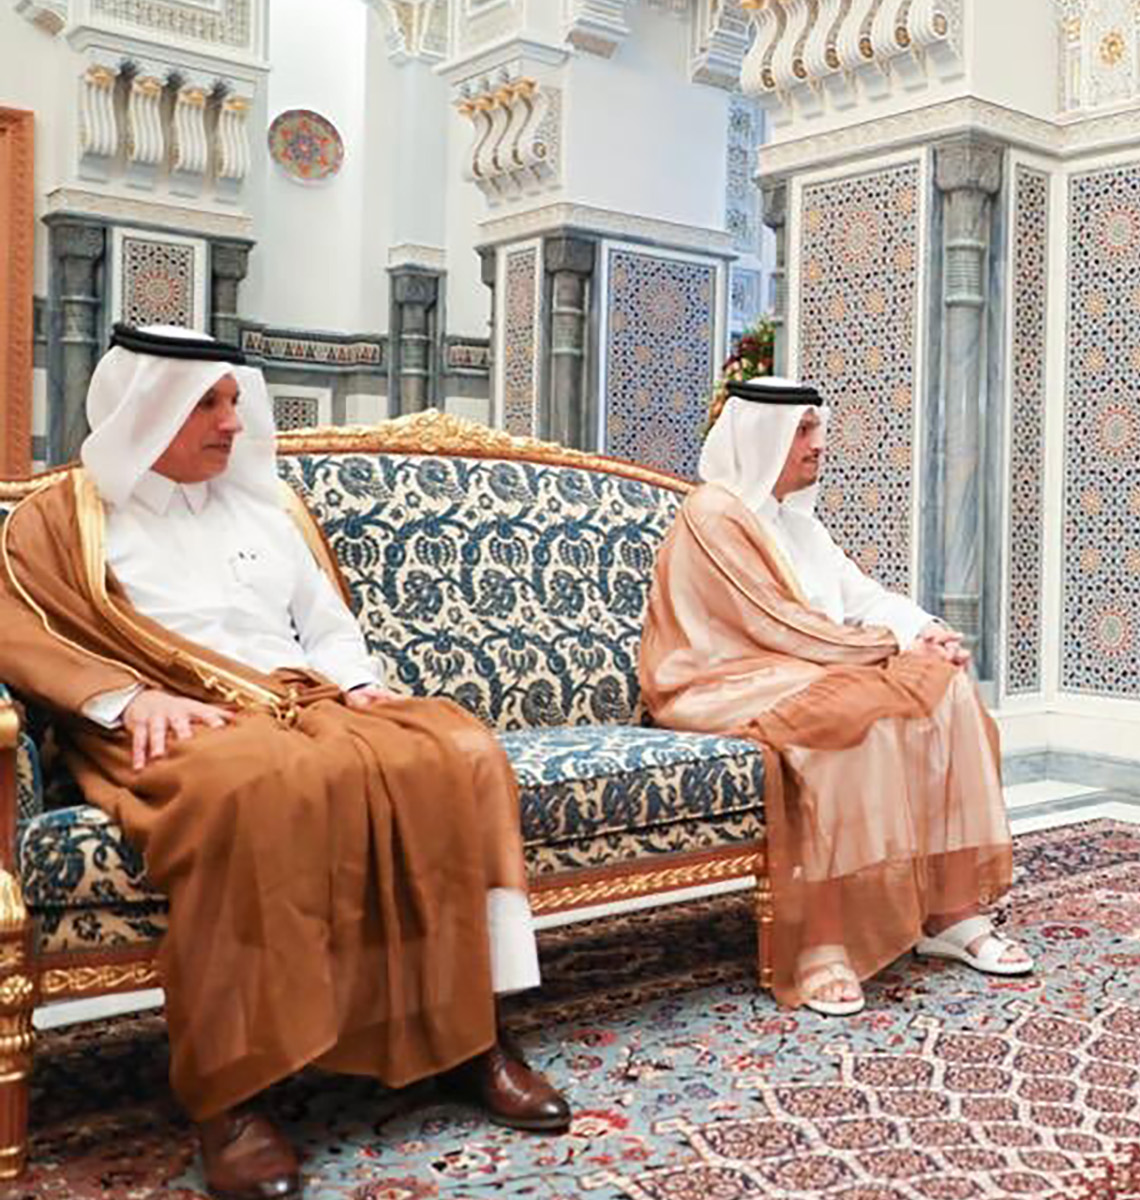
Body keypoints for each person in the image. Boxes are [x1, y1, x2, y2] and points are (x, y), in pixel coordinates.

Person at [0, 326, 569, 1200]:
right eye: (207, 404)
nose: (233, 423)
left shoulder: (265, 503)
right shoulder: (63, 517)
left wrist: (362, 686)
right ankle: (235, 1096)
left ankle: (468, 1036)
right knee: (263, 788)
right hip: (170, 723)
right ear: (144, 409)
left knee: (459, 750)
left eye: (235, 401)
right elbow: (18, 632)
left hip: (308, 701)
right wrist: (127, 700)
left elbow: (327, 620)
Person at [639, 376, 1028, 1018]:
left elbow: (859, 595)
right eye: (802, 432)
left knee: (946, 690)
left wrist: (923, 631)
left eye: (818, 428)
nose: (819, 445)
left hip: (806, 666)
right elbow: (773, 624)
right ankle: (823, 942)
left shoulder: (797, 522)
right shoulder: (714, 513)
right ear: (758, 438)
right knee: (846, 718)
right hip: (721, 680)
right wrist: (887, 650)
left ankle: (949, 913)